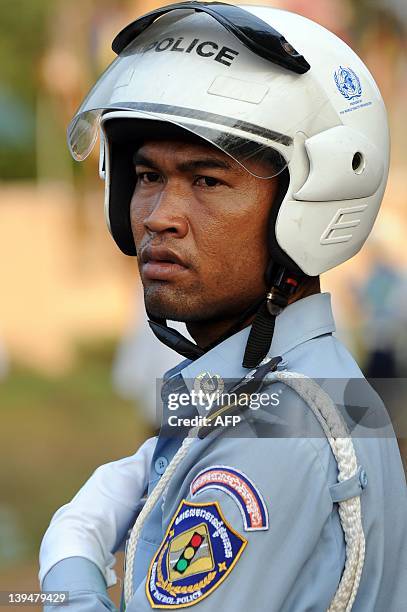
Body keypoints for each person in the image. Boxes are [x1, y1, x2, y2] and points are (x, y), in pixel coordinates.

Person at [39, 3, 407, 611]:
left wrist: (68, 567)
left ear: (313, 202)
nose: (158, 216)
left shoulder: (281, 429)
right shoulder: (302, 386)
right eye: (147, 176)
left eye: (207, 181)